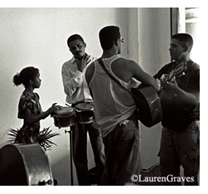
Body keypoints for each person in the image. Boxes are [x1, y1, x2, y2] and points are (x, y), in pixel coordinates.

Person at [85, 26, 159, 185]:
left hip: (105, 129)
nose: (121, 43)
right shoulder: (127, 65)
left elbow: (96, 98)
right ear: (115, 42)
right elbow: (155, 85)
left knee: (111, 172)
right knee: (129, 175)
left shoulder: (90, 70)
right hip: (126, 126)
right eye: (121, 40)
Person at [153, 33, 199, 185]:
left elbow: (195, 100)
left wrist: (175, 89)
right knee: (167, 174)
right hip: (167, 128)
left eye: (174, 46)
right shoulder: (168, 68)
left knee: (190, 174)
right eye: (170, 45)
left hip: (187, 128)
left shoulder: (197, 71)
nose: (169, 49)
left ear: (186, 48)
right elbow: (153, 85)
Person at [61, 34, 105, 185]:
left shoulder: (97, 63)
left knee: (100, 150)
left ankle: (104, 185)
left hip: (95, 109)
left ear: (84, 44)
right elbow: (68, 90)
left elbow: (102, 87)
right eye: (73, 48)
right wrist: (79, 71)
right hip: (76, 111)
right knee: (79, 154)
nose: (77, 49)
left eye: (79, 46)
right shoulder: (67, 66)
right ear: (69, 50)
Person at [13, 66, 60, 145]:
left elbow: (40, 115)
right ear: (31, 81)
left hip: (34, 136)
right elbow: (29, 120)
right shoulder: (26, 99)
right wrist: (47, 112)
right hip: (27, 137)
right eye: (38, 77)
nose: (40, 80)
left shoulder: (35, 96)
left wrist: (51, 110)